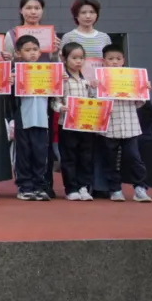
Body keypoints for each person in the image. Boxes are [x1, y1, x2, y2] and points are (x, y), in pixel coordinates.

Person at [100, 44, 152, 202]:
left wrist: (144, 89)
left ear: (123, 60)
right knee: (111, 160)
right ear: (103, 61)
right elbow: (95, 103)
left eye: (118, 59)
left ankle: (140, 188)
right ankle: (115, 189)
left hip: (130, 126)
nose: (114, 62)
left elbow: (139, 103)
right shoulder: (100, 80)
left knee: (134, 158)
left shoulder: (132, 78)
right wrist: (95, 87)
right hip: (109, 127)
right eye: (110, 59)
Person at [8, 35, 50, 201]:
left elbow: (56, 94)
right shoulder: (14, 72)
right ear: (18, 53)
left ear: (40, 52)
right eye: (27, 50)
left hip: (42, 119)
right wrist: (10, 83)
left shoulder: (48, 71)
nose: (32, 53)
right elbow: (7, 97)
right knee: (23, 154)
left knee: (40, 154)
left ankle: (39, 186)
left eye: (35, 49)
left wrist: (61, 80)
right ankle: (25, 186)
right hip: (23, 119)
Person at [53, 42, 95, 201]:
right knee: (69, 156)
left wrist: (102, 110)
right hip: (66, 124)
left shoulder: (87, 80)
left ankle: (83, 187)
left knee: (85, 156)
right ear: (64, 59)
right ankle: (71, 188)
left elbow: (93, 100)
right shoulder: (62, 79)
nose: (78, 61)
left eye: (81, 58)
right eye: (74, 58)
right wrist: (60, 107)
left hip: (85, 124)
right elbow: (54, 101)